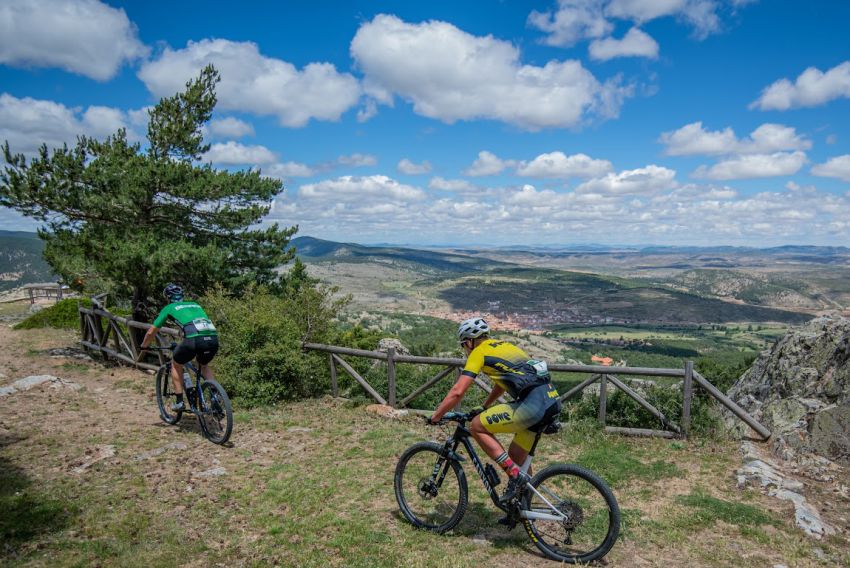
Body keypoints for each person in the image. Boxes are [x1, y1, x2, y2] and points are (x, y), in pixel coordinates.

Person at [428, 317, 562, 507]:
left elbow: (458, 391)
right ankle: (523, 505)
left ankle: (515, 477)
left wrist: (437, 416)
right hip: (551, 399)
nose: (464, 350)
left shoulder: (478, 352)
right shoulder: (505, 346)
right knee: (516, 455)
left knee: (476, 427)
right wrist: (485, 406)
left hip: (533, 404)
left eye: (463, 346)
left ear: (468, 342)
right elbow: (502, 383)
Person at [138, 284, 219, 411]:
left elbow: (151, 332)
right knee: (203, 365)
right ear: (182, 296)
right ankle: (216, 396)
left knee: (176, 363)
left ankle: (180, 402)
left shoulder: (169, 307)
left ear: (168, 297)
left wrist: (143, 346)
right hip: (213, 338)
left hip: (194, 339)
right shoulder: (195, 304)